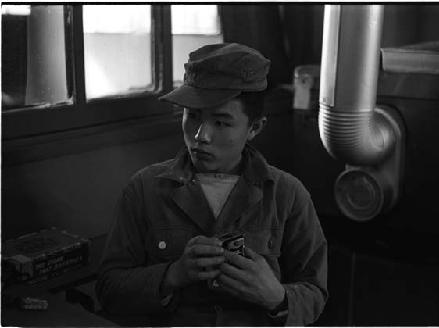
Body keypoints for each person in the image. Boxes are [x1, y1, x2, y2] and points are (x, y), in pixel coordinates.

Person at [96, 43, 328, 326]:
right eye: (192, 116)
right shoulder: (144, 190)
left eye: (221, 122)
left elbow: (315, 292)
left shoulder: (288, 195)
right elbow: (109, 290)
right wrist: (173, 274)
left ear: (255, 128)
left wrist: (277, 297)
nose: (200, 135)